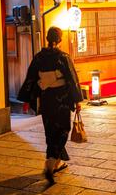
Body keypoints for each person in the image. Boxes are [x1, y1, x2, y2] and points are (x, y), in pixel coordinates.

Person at [18, 26, 83, 185]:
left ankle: (58, 161)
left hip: (47, 99)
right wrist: (77, 100)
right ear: (60, 39)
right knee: (62, 130)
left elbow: (31, 78)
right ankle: (50, 162)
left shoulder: (39, 57)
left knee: (50, 131)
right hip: (61, 100)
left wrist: (27, 98)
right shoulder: (63, 57)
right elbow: (72, 79)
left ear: (47, 38)